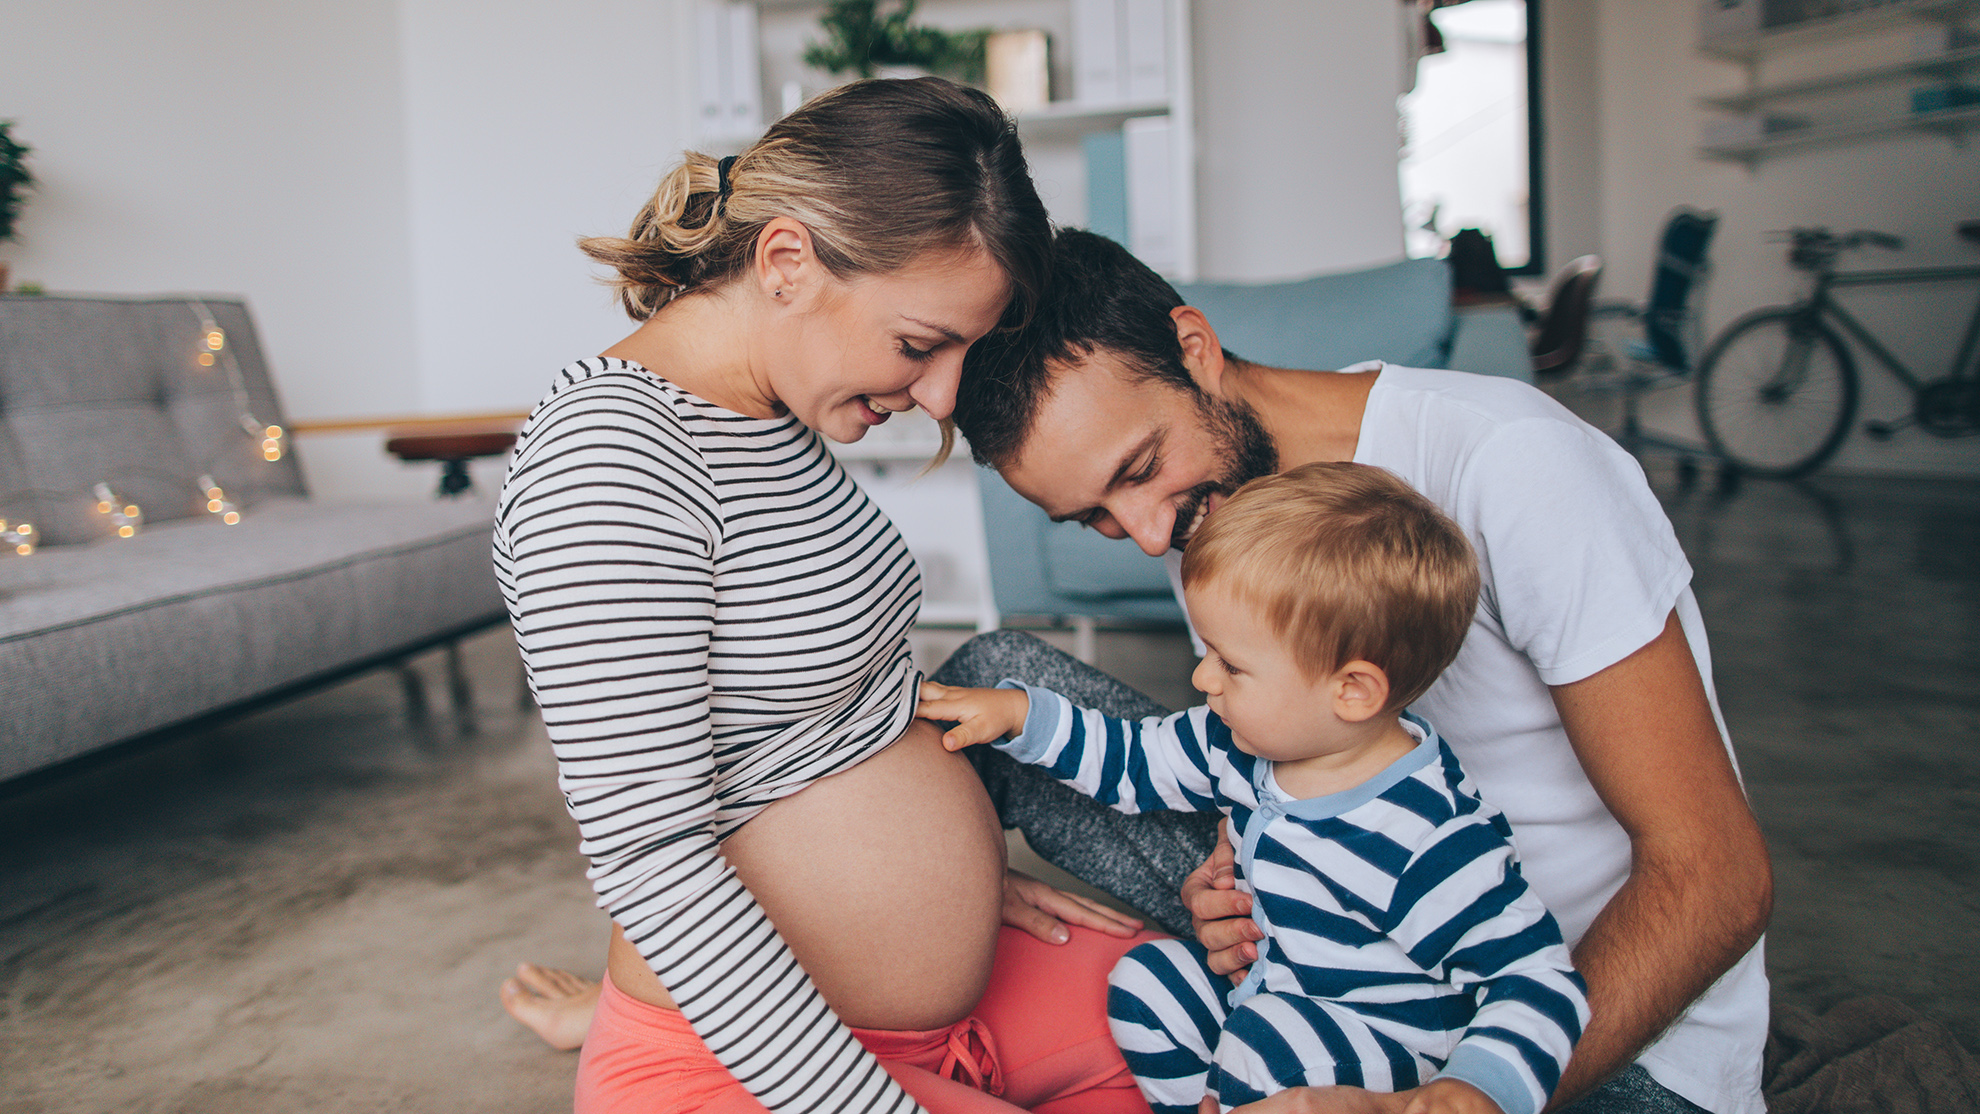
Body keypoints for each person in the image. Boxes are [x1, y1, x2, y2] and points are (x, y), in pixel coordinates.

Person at [938, 229, 1773, 1114]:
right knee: (993, 678)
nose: (1146, 534)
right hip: (1341, 956)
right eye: (1093, 518)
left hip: (1567, 1011)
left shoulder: (1513, 465)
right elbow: (1266, 752)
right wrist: (1229, 875)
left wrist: (1450, 1100)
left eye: (1139, 470)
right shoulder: (1211, 517)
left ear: (1196, 348)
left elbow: (1718, 876)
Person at [495, 78, 1162, 1114]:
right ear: (787, 262)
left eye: (962, 352)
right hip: (750, 1058)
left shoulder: (771, 410)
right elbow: (653, 860)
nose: (941, 396)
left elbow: (819, 730)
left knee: (1237, 1029)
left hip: (947, 998)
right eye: (918, 345)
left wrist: (956, 883)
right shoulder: (609, 462)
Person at [921, 462, 1589, 1114]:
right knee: (1146, 984)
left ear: (1351, 691)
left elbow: (1534, 979)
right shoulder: (1243, 742)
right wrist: (1020, 717)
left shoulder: (1426, 837)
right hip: (1271, 995)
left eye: (1231, 665)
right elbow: (1134, 759)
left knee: (1266, 1045)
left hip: (1383, 1052)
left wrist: (1478, 1087)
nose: (1203, 680)